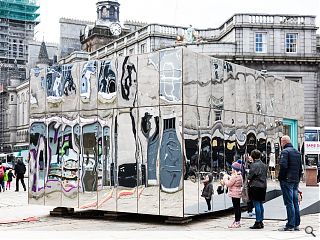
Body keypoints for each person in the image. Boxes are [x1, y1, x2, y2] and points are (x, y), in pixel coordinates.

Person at [278, 135, 303, 231]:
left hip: (287, 180)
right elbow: (300, 168)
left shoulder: (285, 152)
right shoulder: (297, 152)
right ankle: (296, 223)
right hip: (295, 180)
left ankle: (290, 224)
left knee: (289, 203)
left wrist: (281, 178)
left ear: (283, 142)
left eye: (281, 142)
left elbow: (283, 166)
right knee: (295, 202)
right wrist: (298, 178)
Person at [247, 149, 268, 229]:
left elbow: (250, 176)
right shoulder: (264, 165)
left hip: (255, 186)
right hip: (263, 186)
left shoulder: (254, 165)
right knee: (260, 204)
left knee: (256, 204)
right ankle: (261, 221)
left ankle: (257, 221)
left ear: (253, 156)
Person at [221, 161, 243, 228]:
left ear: (234, 169)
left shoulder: (234, 176)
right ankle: (237, 221)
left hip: (234, 193)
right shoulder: (240, 175)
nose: (231, 169)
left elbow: (228, 184)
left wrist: (225, 179)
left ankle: (237, 222)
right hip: (238, 193)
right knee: (238, 207)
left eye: (232, 168)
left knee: (236, 208)